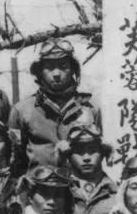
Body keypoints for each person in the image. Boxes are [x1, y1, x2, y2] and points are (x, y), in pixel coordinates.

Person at [9, 39, 98, 170]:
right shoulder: (22, 110)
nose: (56, 74)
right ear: (40, 71)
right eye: (49, 67)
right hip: (38, 181)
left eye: (63, 66)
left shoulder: (89, 110)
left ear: (73, 70)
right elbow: (16, 159)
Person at [59, 122, 118, 214]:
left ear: (103, 154)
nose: (86, 158)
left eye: (92, 150)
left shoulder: (118, 193)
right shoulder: (58, 191)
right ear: (69, 156)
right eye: (79, 151)